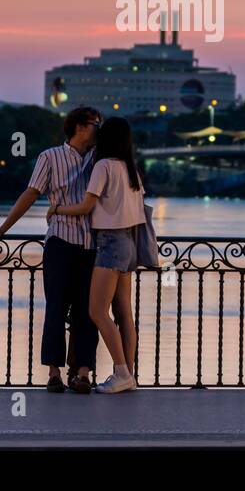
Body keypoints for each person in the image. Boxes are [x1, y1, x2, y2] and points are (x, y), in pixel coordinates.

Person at [0, 107, 102, 394]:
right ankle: (54, 373)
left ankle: (82, 373)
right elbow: (31, 193)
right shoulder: (50, 157)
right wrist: (3, 229)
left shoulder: (101, 158)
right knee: (56, 308)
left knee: (88, 311)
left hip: (93, 243)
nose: (99, 129)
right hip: (60, 241)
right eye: (96, 124)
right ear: (80, 127)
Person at [49, 116, 145, 394]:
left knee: (96, 311)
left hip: (110, 243)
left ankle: (121, 372)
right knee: (124, 313)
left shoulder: (103, 166)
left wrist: (56, 210)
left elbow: (86, 206)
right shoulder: (131, 169)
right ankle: (130, 373)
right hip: (129, 243)